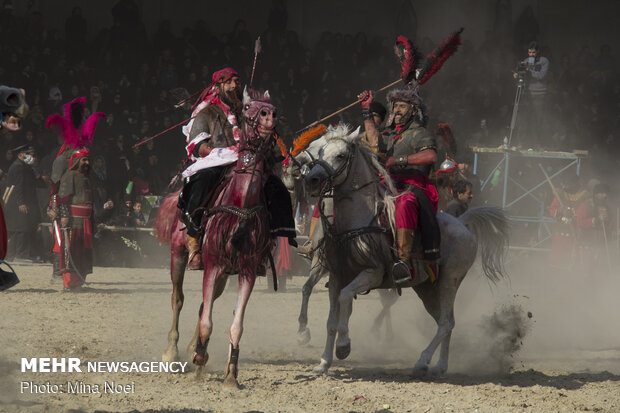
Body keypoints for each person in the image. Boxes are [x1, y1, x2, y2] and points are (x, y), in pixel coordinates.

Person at [358, 88, 440, 285]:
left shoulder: (419, 133)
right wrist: (366, 110)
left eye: (402, 106)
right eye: (395, 106)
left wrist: (397, 160)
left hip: (412, 185)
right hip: (387, 183)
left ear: (413, 110)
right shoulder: (387, 133)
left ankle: (403, 261)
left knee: (405, 203)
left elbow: (430, 156)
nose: (397, 110)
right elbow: (371, 140)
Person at [177, 67, 243, 270]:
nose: (234, 86)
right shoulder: (206, 113)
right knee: (203, 179)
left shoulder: (246, 111)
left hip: (244, 161)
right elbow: (198, 146)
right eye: (229, 82)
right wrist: (222, 150)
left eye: (236, 81)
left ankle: (270, 240)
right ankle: (194, 240)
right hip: (216, 162)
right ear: (217, 87)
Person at [56, 149, 94, 290]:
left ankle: (80, 281)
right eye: (84, 160)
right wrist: (65, 216)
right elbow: (63, 198)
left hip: (86, 221)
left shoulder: (87, 177)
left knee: (83, 252)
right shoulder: (69, 175)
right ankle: (70, 282)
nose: (87, 163)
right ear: (77, 161)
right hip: (74, 221)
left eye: (88, 160)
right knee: (72, 251)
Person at [4, 145, 43, 262]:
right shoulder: (18, 167)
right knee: (21, 228)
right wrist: (21, 202)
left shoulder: (25, 167)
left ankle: (12, 255)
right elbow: (18, 186)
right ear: (21, 155)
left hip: (22, 201)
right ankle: (19, 255)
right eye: (28, 154)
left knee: (20, 229)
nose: (31, 157)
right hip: (17, 202)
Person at [513, 41, 549, 145]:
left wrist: (529, 70)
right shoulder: (526, 61)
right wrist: (517, 74)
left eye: (533, 52)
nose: (531, 55)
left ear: (538, 51)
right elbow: (522, 74)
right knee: (524, 118)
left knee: (537, 119)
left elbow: (541, 76)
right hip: (527, 94)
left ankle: (537, 143)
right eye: (529, 52)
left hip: (539, 94)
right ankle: (523, 142)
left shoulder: (544, 61)